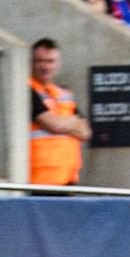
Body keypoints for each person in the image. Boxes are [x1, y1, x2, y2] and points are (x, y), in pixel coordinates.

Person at [27, 36, 89, 187]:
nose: (45, 67)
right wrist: (73, 122)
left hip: (67, 179)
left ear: (58, 63)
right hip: (39, 181)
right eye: (40, 61)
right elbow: (54, 125)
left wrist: (62, 124)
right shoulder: (27, 90)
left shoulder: (65, 93)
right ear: (31, 62)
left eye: (50, 61)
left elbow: (85, 132)